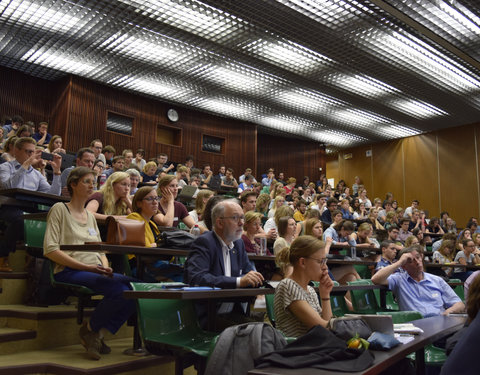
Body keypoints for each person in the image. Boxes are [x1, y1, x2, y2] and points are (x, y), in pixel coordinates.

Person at [43, 167, 136, 360]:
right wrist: (87, 268)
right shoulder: (60, 209)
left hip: (94, 269)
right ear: (73, 185)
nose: (91, 185)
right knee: (119, 289)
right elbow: (50, 249)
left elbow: (99, 249)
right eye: (86, 181)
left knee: (135, 288)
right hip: (68, 270)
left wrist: (104, 264)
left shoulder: (89, 216)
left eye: (93, 182)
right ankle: (92, 331)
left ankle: (94, 332)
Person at [184, 200, 264, 329]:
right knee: (253, 334)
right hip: (207, 315)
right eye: (235, 218)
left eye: (242, 218)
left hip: (232, 312)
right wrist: (238, 281)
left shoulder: (238, 244)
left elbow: (248, 272)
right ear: (219, 222)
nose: (241, 223)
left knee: (263, 331)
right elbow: (197, 278)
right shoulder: (204, 243)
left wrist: (256, 280)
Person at [0, 137, 62, 271]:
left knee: (51, 221)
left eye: (33, 152)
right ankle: (3, 255)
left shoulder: (37, 174)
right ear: (16, 151)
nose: (31, 155)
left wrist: (56, 172)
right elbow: (8, 186)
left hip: (29, 207)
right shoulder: (5, 167)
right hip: (9, 207)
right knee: (20, 220)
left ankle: (35, 256)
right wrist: (26, 164)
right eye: (28, 152)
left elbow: (53, 195)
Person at [371, 246, 464, 316]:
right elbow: (375, 279)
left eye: (418, 257)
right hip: (415, 326)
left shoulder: (437, 280)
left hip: (440, 322)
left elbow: (459, 304)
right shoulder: (399, 279)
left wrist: (447, 312)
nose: (417, 262)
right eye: (411, 260)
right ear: (404, 266)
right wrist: (399, 262)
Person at [274, 236, 333, 337]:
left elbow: (328, 329)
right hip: (298, 350)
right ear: (302, 262)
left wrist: (325, 295)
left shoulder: (310, 290)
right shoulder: (288, 285)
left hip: (314, 348)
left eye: (325, 261)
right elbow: (324, 328)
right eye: (320, 261)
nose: (325, 267)